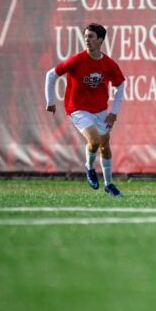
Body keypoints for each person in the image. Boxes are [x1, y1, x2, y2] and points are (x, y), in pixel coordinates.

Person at [45, 23, 126, 197]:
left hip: (100, 111)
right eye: (86, 36)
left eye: (91, 37)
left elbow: (121, 86)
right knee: (95, 141)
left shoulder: (109, 64)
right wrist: (51, 101)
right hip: (78, 109)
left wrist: (113, 113)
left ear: (101, 40)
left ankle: (109, 184)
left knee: (105, 146)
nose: (87, 40)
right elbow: (51, 75)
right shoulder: (77, 59)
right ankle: (89, 168)